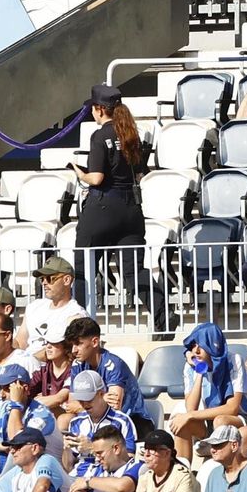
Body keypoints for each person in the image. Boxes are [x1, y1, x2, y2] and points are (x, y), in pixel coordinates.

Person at [67, 84, 151, 322]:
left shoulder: (100, 135)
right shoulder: (131, 134)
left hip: (103, 207)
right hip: (131, 208)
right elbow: (140, 174)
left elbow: (96, 178)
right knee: (134, 271)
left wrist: (77, 170)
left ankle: (79, 324)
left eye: (93, 109)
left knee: (84, 269)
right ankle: (163, 315)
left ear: (100, 109)